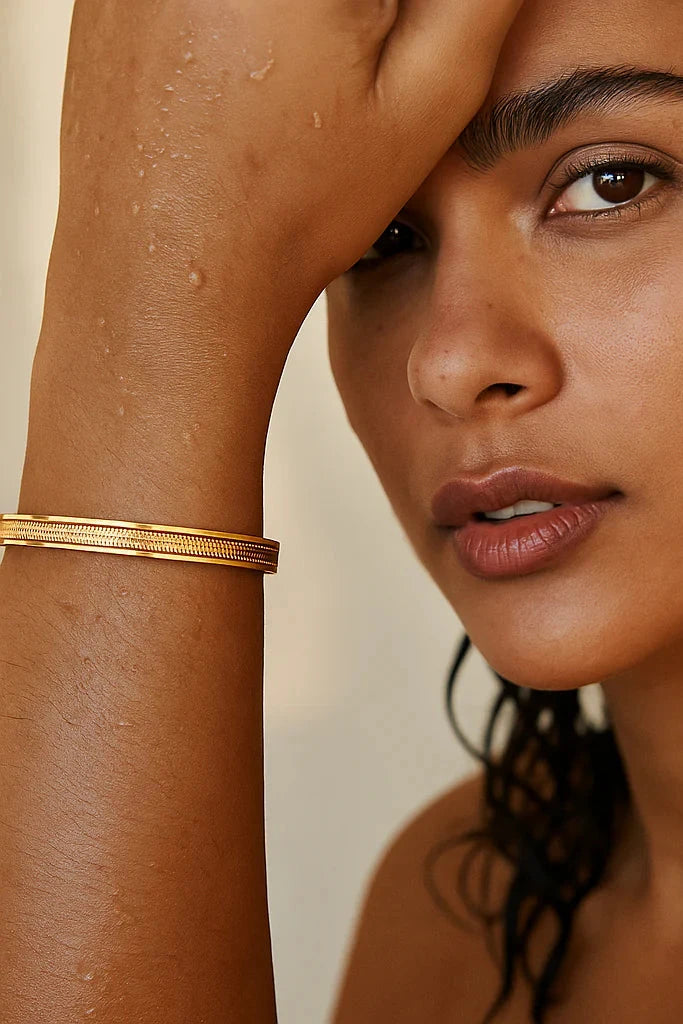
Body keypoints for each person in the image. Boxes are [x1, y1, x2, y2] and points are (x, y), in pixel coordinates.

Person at [0, 1, 681, 1023]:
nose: (447, 363)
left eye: (609, 183)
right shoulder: (451, 918)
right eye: (382, 240)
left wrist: (139, 311)